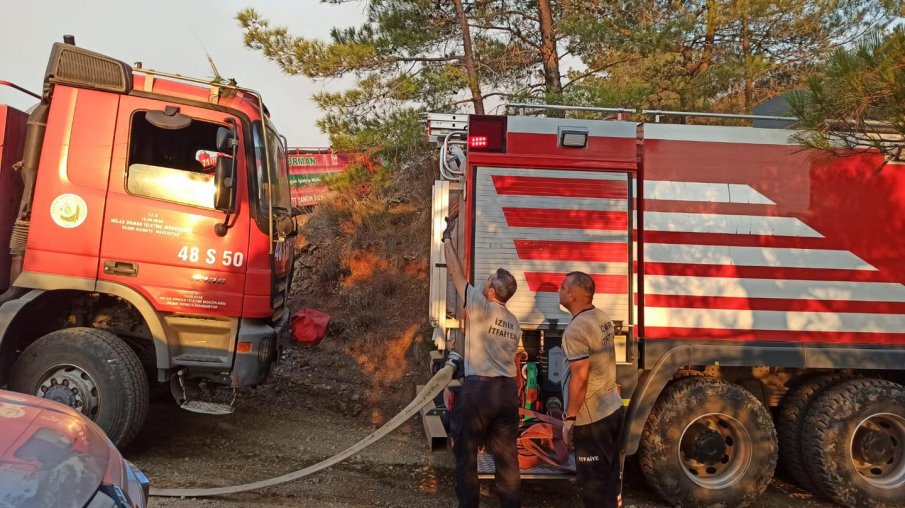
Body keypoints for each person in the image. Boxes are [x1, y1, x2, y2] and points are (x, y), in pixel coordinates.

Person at [442, 217, 521, 508]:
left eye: (487, 279)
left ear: (490, 291)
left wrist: (447, 241)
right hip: (506, 394)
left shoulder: (481, 307)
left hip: (479, 393)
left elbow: (455, 275)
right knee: (507, 462)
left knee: (466, 458)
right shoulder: (514, 322)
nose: (483, 281)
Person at [559, 271, 624, 508]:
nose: (559, 290)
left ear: (573, 294)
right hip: (612, 410)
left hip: (592, 418)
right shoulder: (602, 316)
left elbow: (580, 378)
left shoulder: (576, 330)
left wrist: (570, 420)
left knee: (595, 487)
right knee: (608, 478)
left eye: (563, 287)